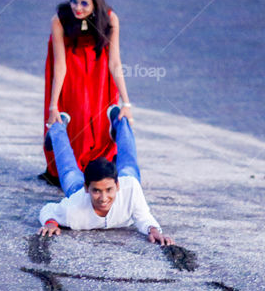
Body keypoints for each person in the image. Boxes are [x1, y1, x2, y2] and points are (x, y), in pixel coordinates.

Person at [40, 0, 133, 186]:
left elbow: (115, 62)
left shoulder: (109, 19)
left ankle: (100, 164)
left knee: (100, 117)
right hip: (70, 67)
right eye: (74, 1)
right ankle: (67, 164)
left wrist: (126, 104)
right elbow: (60, 65)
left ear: (94, 4)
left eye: (84, 3)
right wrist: (53, 106)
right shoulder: (60, 19)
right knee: (76, 113)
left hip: (98, 66)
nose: (77, 8)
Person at [38, 105, 174, 245]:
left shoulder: (130, 188)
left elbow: (143, 217)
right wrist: (51, 223)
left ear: (117, 185)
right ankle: (57, 129)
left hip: (119, 180)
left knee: (129, 164)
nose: (103, 198)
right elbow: (48, 210)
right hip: (77, 190)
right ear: (87, 188)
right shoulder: (72, 209)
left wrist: (154, 230)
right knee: (69, 171)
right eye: (97, 191)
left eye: (109, 190)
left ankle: (119, 121)